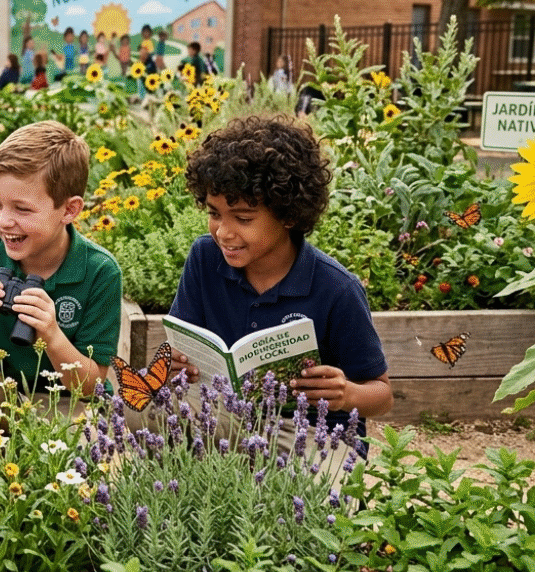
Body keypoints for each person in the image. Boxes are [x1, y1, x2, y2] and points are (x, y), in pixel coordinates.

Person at [166, 116, 392, 469]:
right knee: (136, 413)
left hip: (314, 433)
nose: (223, 232)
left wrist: (347, 394)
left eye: (242, 218)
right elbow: (180, 348)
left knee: (312, 492)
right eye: (214, 213)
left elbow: (382, 394)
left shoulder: (336, 288)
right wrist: (176, 364)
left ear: (287, 215)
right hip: (228, 418)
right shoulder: (204, 258)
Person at [0, 120, 122, 428]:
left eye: (22, 209)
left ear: (69, 210)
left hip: (65, 404)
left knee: (84, 448)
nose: (3, 221)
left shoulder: (99, 270)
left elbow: (90, 386)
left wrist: (52, 334)